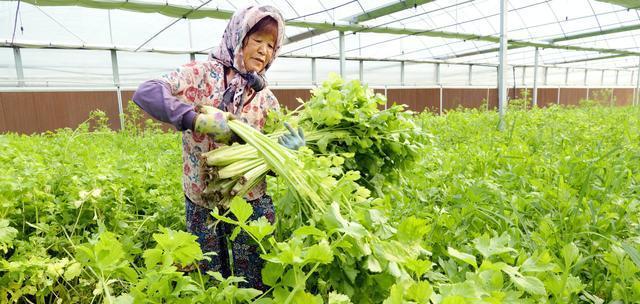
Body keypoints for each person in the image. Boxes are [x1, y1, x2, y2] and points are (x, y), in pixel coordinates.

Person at [132, 5, 304, 290]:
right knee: (211, 279)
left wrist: (284, 153)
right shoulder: (200, 74)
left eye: (271, 45)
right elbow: (146, 92)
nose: (264, 50)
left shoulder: (265, 99)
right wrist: (195, 120)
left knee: (256, 280)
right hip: (203, 199)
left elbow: (267, 164)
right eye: (257, 40)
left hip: (249, 203)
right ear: (238, 37)